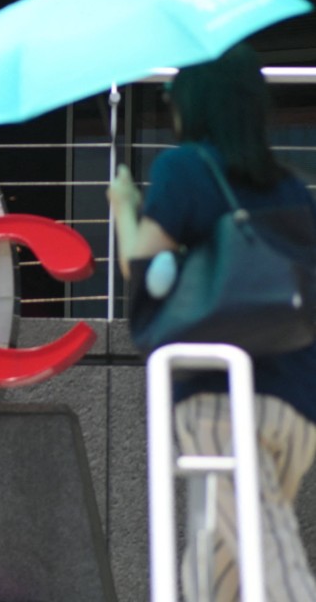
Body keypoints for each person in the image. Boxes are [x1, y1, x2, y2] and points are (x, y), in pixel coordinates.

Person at [108, 42, 316, 602]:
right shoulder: (292, 187)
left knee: (262, 546)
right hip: (298, 400)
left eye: (171, 94)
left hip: (218, 392)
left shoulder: (184, 168)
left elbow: (142, 269)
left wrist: (124, 207)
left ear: (195, 102)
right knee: (221, 551)